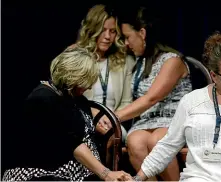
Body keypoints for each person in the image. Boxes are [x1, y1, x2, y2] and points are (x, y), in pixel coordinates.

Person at [130, 32, 221, 181]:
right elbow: (168, 145)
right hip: (202, 178)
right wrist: (138, 178)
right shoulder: (192, 101)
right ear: (214, 76)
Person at [1, 47, 132, 181]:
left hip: (80, 173)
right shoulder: (41, 99)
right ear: (73, 77)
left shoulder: (76, 98)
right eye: (86, 81)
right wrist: (106, 174)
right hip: (41, 172)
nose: (90, 87)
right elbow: (73, 144)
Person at [101, 6, 192, 181]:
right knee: (134, 141)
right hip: (146, 122)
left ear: (142, 33)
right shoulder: (139, 62)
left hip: (173, 120)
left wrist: (114, 116)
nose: (126, 43)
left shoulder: (172, 60)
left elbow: (152, 98)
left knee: (157, 141)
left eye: (128, 37)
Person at [71, 4, 135, 142]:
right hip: (83, 117)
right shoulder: (76, 56)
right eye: (102, 30)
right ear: (91, 30)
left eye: (112, 31)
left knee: (111, 135)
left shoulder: (126, 61)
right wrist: (94, 116)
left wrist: (111, 118)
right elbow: (69, 98)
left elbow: (126, 102)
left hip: (114, 121)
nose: (107, 36)